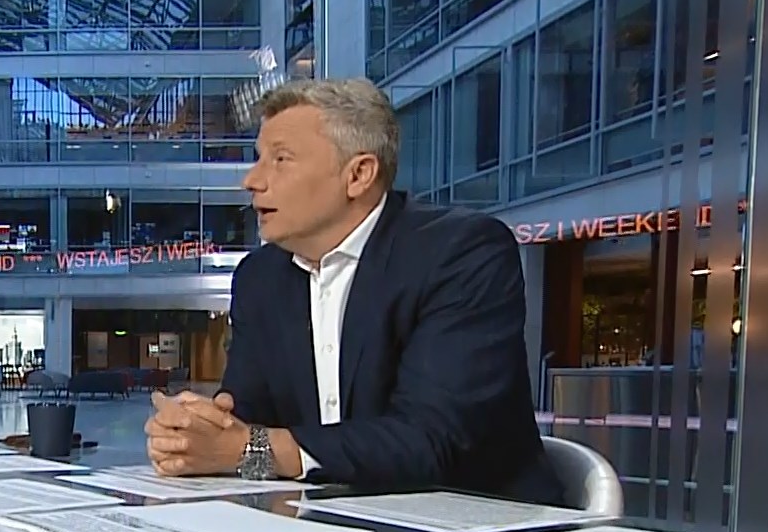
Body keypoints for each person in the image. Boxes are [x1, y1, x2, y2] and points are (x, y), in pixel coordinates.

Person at [146, 78, 562, 505]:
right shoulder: (260, 277)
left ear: (358, 175)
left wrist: (250, 450)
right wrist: (195, 434)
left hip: (476, 523)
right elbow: (244, 422)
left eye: (280, 159)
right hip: (325, 523)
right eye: (258, 159)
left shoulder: (462, 253)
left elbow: (432, 439)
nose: (251, 180)